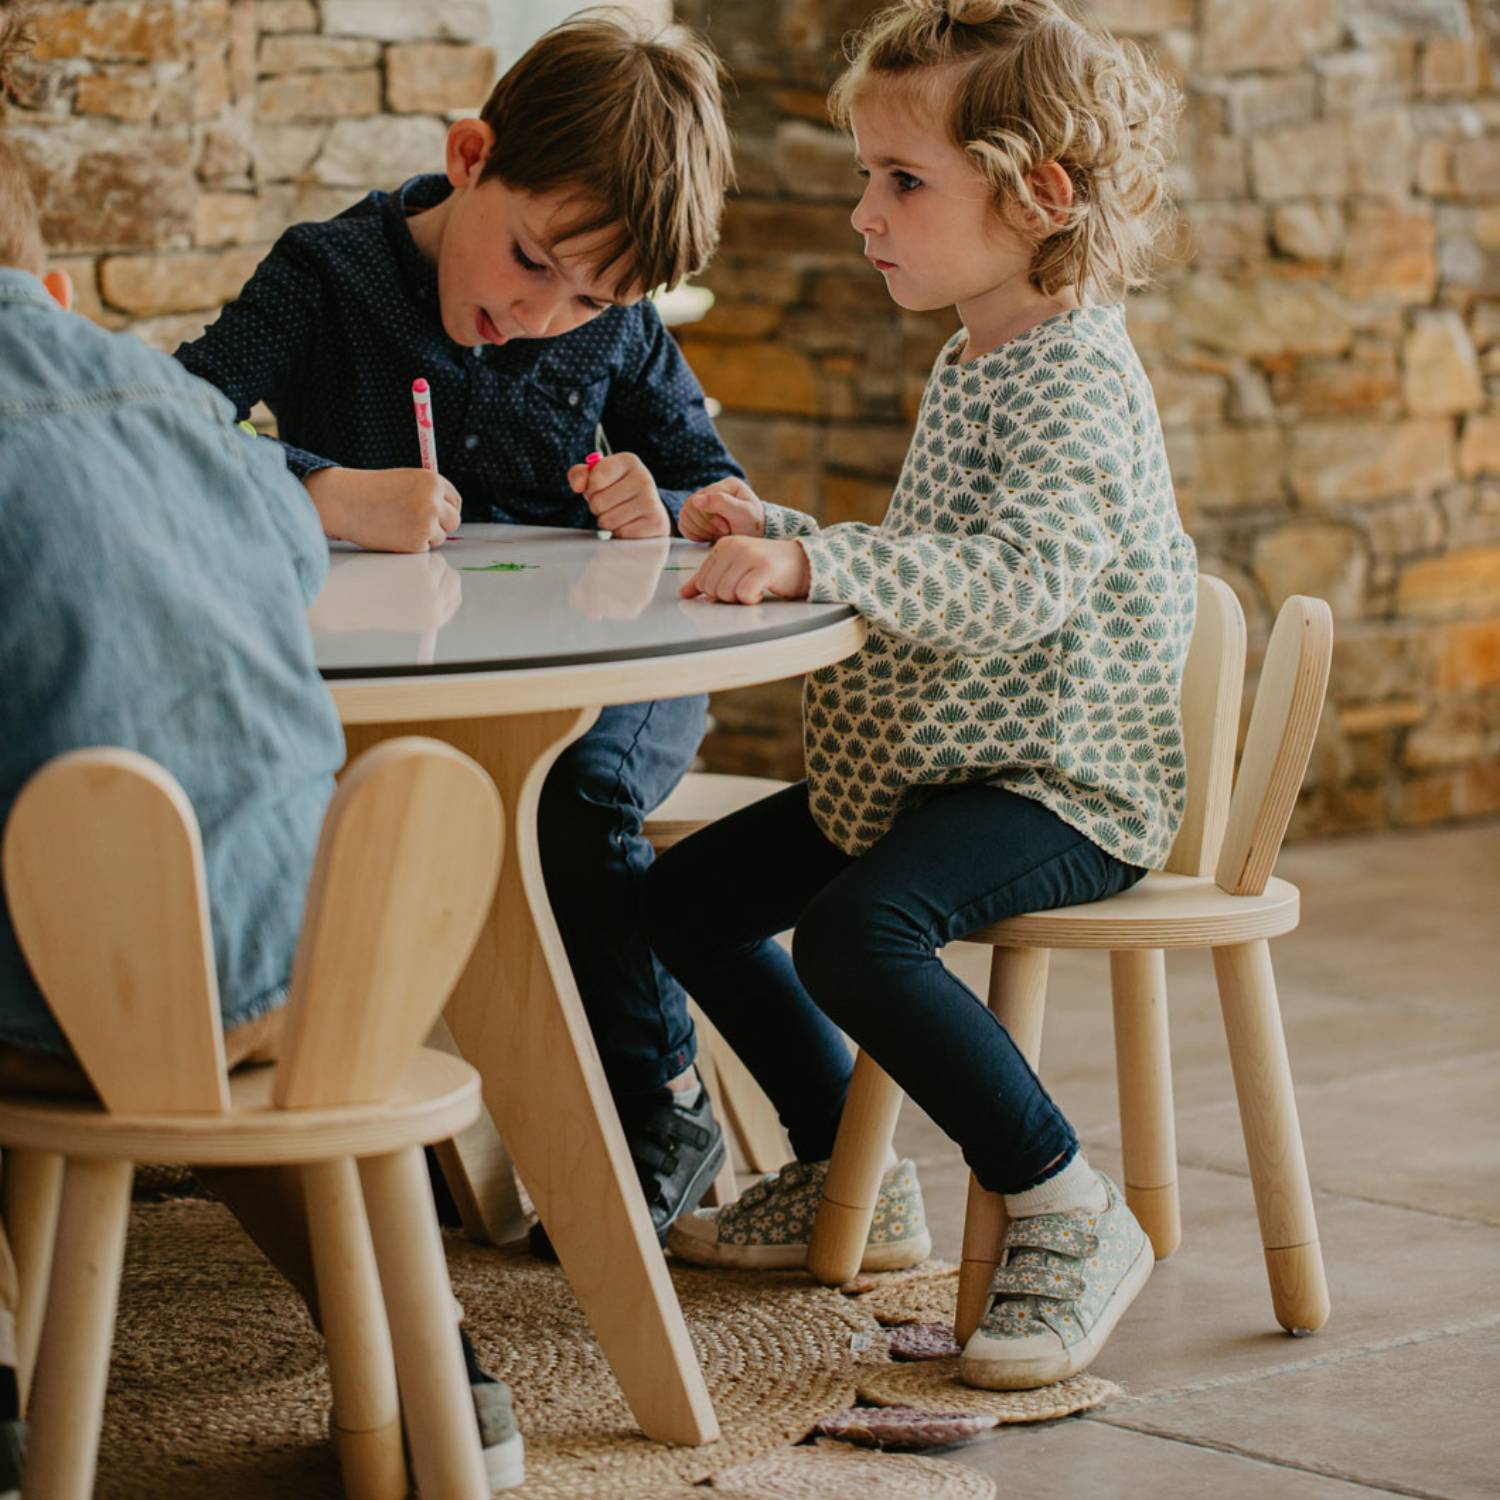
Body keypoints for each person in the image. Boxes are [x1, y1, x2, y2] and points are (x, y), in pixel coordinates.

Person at [643, 0, 1194, 1392]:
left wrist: (821, 557)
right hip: (956, 762)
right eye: (865, 180)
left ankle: (1067, 1201)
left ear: (1039, 195)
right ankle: (849, 1160)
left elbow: (1019, 584)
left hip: (1065, 781)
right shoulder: (977, 353)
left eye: (903, 182)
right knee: (684, 905)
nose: (864, 214)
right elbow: (946, 558)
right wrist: (769, 524)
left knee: (855, 933)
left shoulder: (1070, 374)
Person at [0, 10, 520, 1486]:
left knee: (115, 961)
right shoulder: (176, 414)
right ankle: (439, 1375)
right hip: (314, 963)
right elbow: (273, 578)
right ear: (45, 285)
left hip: (64, 997)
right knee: (208, 997)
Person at [176, 10, 743, 1247]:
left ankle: (665, 1103)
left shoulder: (609, 315)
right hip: (403, 687)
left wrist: (672, 498)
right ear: (472, 154)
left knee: (567, 795)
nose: (547, 316)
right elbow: (170, 428)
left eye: (592, 299)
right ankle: (332, 1084)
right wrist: (322, 485)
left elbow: (713, 480)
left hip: (607, 681)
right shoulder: (327, 275)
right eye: (534, 264)